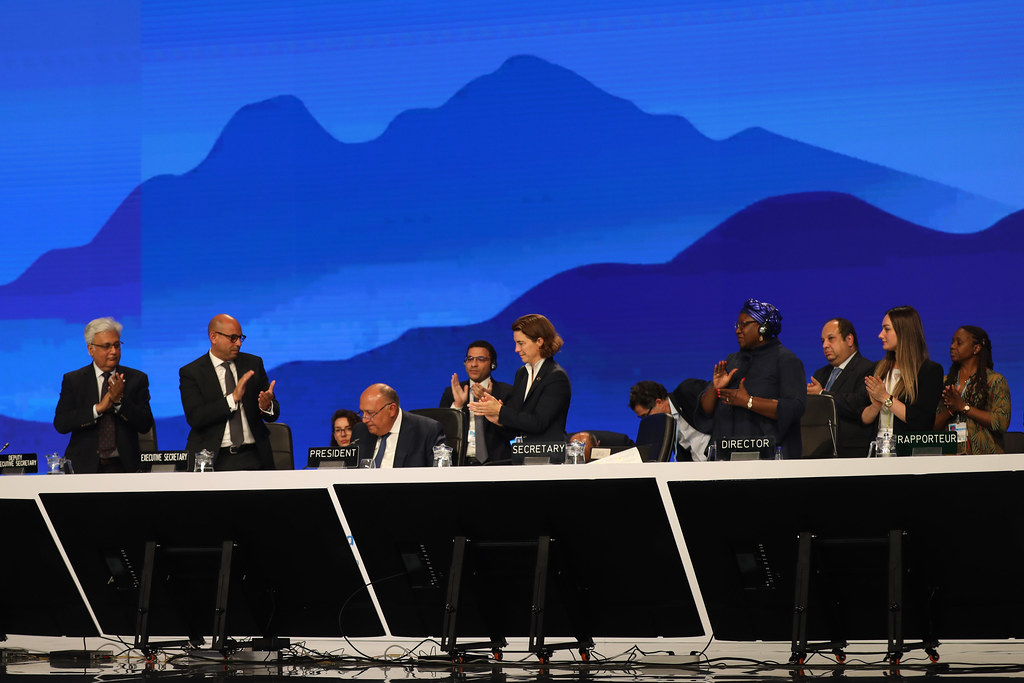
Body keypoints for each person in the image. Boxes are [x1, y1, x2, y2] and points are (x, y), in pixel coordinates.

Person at [697, 299, 806, 459]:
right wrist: (715, 387)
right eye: (737, 325)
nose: (738, 330)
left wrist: (748, 401)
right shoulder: (733, 360)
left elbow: (794, 408)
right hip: (725, 456)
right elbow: (705, 410)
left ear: (763, 327)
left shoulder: (786, 360)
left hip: (768, 457)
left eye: (744, 324)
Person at [179, 314, 280, 470]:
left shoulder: (253, 364)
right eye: (233, 338)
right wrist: (232, 399)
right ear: (213, 337)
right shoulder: (192, 372)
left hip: (255, 456)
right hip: (213, 458)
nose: (239, 343)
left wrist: (266, 406)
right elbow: (196, 417)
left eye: (241, 338)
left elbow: (273, 414)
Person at [53, 317, 154, 473]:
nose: (113, 351)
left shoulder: (137, 379)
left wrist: (119, 402)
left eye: (116, 345)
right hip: (83, 467)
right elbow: (61, 423)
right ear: (91, 349)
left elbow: (145, 423)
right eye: (106, 346)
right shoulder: (74, 380)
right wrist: (98, 409)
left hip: (125, 466)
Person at [469, 314, 571, 443]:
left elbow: (538, 423)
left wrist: (501, 411)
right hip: (523, 456)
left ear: (539, 342)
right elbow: (518, 423)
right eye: (516, 343)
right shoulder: (522, 373)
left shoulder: (556, 376)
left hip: (548, 457)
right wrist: (497, 418)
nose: (517, 349)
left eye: (521, 343)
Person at [861, 306, 943, 437]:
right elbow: (864, 419)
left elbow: (920, 420)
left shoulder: (930, 371)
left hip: (907, 453)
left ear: (903, 332)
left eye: (887, 329)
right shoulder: (877, 369)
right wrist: (875, 406)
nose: (880, 335)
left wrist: (885, 397)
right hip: (877, 450)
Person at [933, 326, 1011, 454]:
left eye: (959, 343)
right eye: (952, 342)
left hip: (985, 458)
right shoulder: (945, 382)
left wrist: (964, 407)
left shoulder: (995, 381)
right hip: (949, 458)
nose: (952, 346)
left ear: (976, 348)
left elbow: (1001, 422)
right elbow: (932, 427)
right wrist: (951, 410)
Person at [806, 318, 876, 457]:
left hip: (852, 452)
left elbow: (858, 402)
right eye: (823, 341)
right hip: (820, 451)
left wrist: (822, 394)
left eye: (831, 339)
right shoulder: (820, 374)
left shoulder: (868, 369)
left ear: (849, 340)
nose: (825, 345)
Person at [439, 340, 514, 463]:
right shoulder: (452, 392)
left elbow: (512, 433)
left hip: (496, 463)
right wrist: (457, 406)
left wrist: (492, 409)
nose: (474, 364)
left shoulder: (506, 392)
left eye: (481, 359)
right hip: (459, 462)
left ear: (493, 364)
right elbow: (441, 434)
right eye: (470, 359)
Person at [351, 383, 445, 467]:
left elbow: (439, 477)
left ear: (392, 409)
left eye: (370, 413)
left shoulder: (426, 431)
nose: (364, 420)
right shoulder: (361, 431)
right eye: (362, 412)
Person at [629, 380, 711, 461]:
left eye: (645, 416)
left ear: (659, 403)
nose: (646, 421)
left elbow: (718, 391)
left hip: (720, 461)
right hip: (699, 470)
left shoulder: (687, 390)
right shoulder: (665, 428)